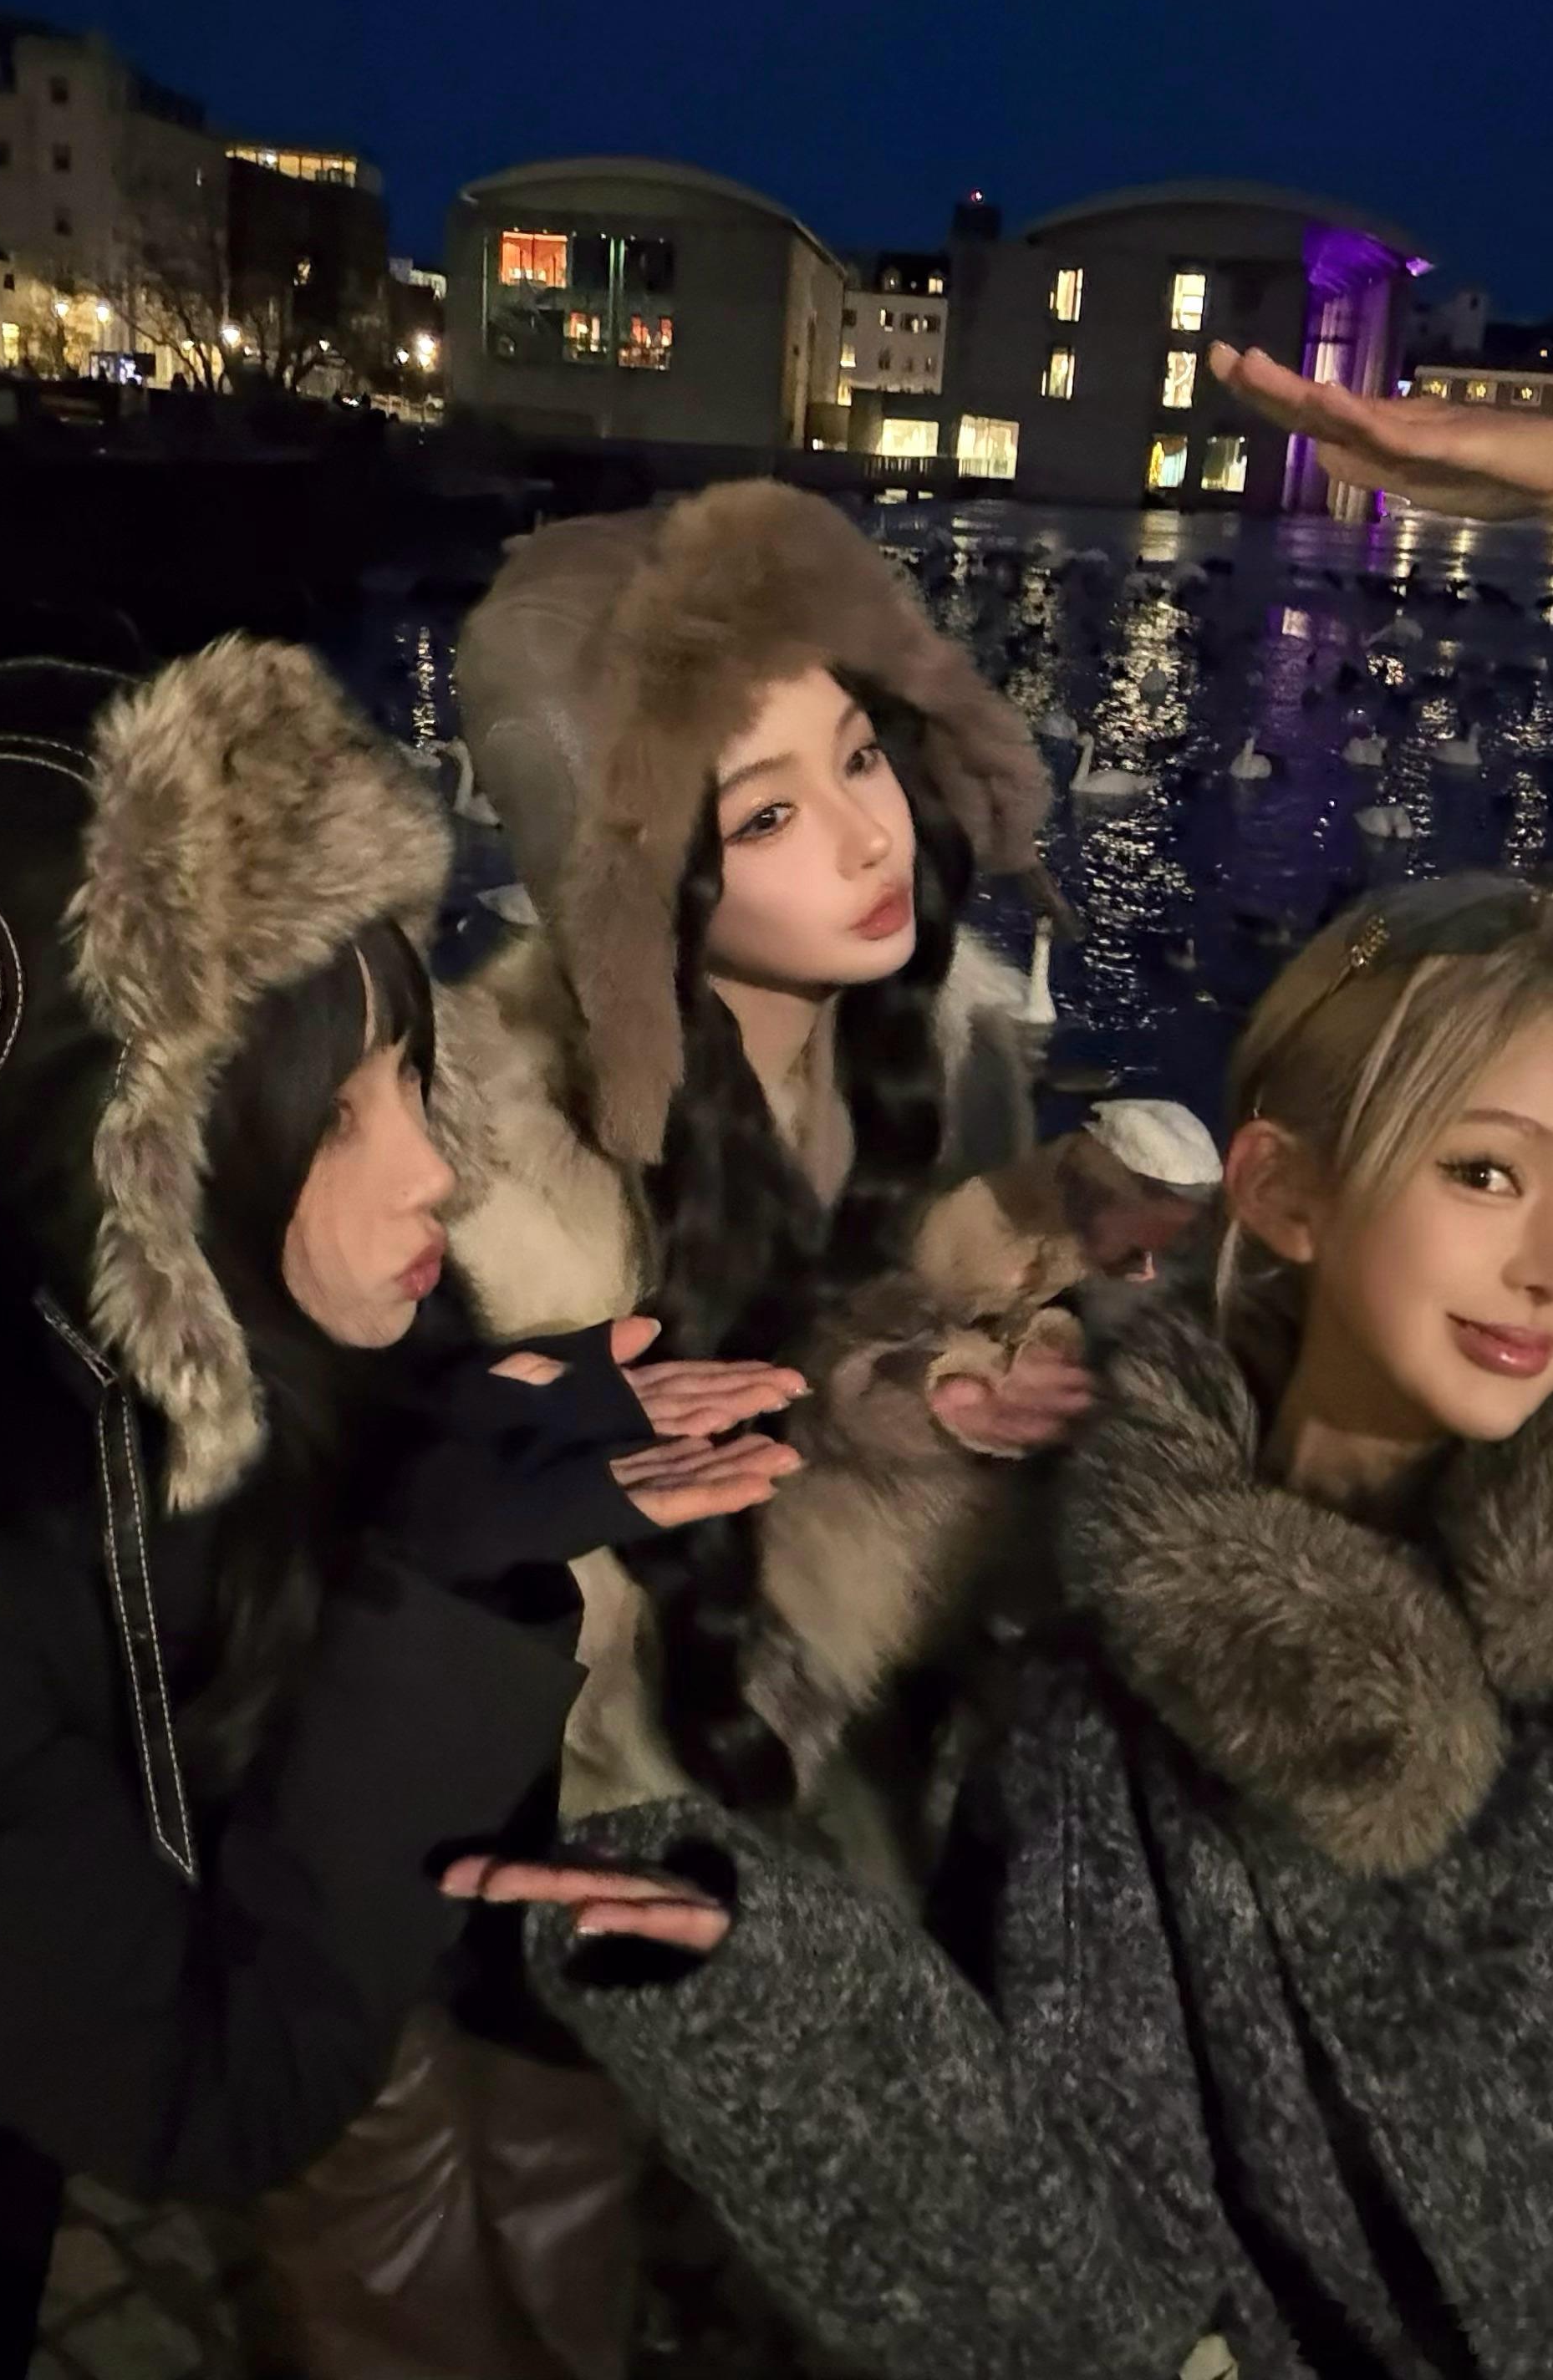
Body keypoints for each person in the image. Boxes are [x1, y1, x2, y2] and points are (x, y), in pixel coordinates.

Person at [453, 364, 1553, 2379]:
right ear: (1284, 1188)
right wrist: (771, 1980)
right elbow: (1091, 2253)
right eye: (1484, 1169)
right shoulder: (1119, 1709)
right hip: (681, 1796)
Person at [266, 479, 1212, 2376]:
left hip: (785, 1763)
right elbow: (414, 1515)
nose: (868, 836)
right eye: (765, 811)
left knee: (643, 2199)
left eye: (860, 756)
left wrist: (982, 1340)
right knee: (495, 2221)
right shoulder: (480, 1153)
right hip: (529, 1788)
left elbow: (849, 1343)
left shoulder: (933, 1040)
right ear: (637, 879)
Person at [0, 633, 802, 2377]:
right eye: (336, 1110)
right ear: (118, 1170)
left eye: (410, 1076)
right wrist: (432, 1575)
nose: (435, 1169)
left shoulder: (169, 1380)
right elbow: (218, 2094)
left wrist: (438, 1460)